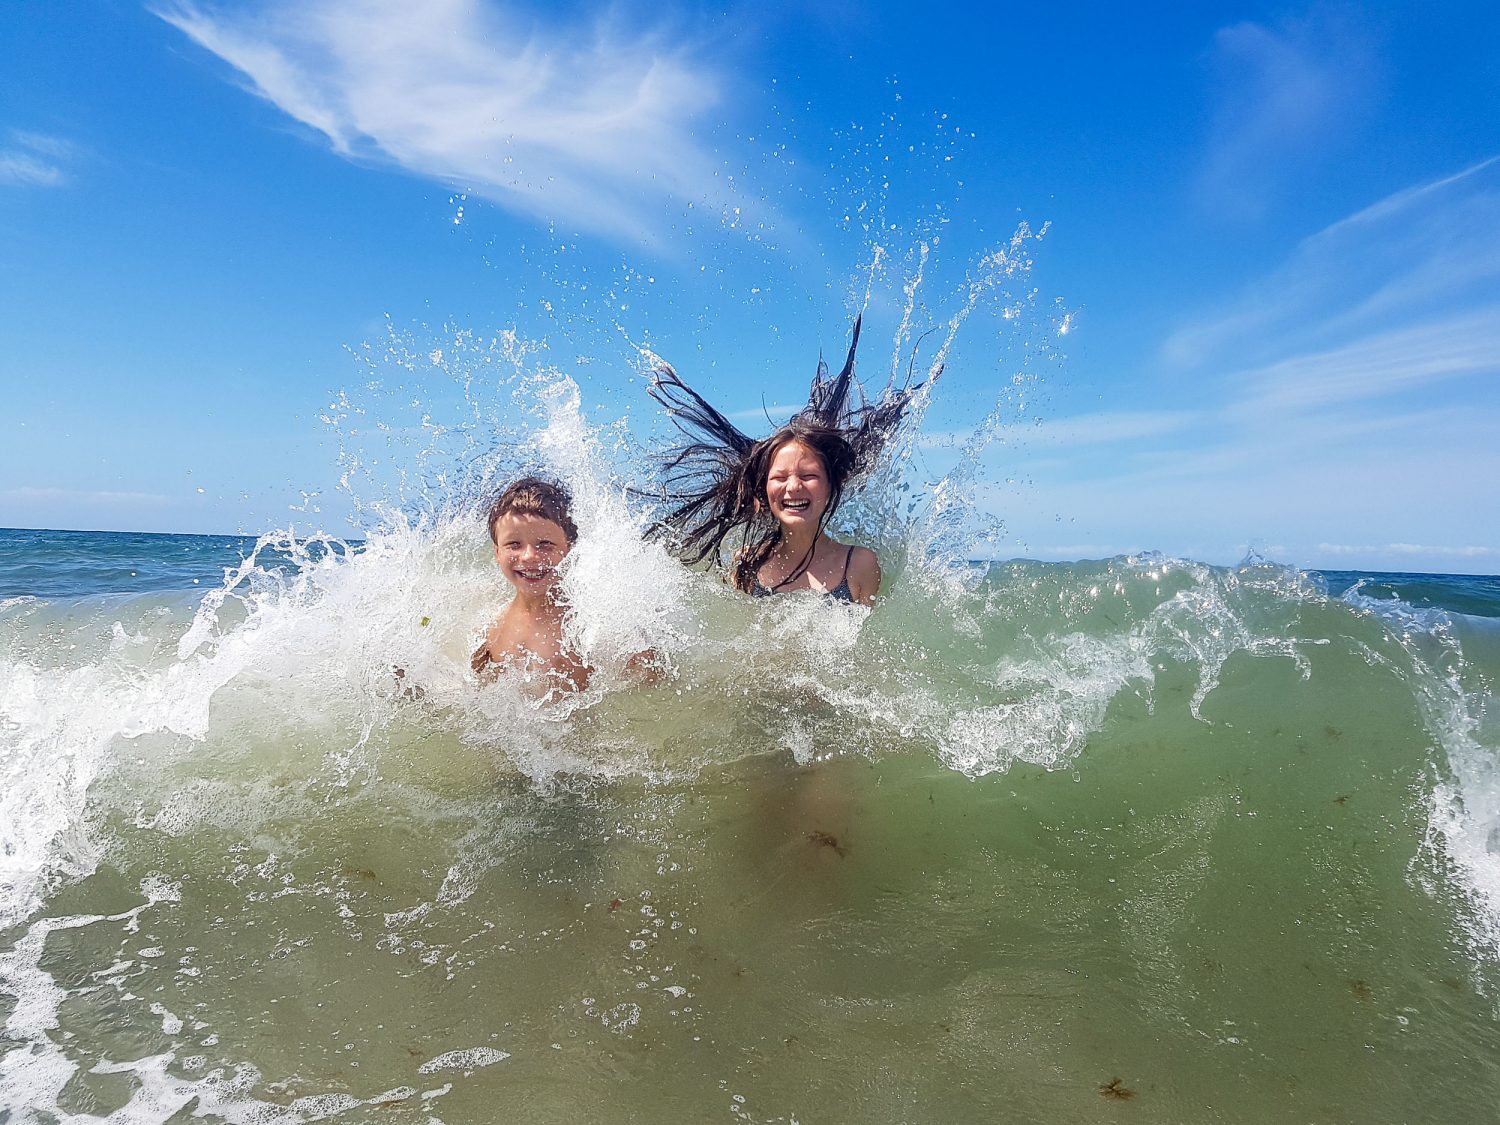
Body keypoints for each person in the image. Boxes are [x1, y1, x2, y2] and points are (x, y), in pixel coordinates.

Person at [645, 317, 927, 606]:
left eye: (808, 475)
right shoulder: (746, 565)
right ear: (764, 491)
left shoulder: (859, 564)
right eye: (779, 478)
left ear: (832, 485)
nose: (793, 487)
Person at [471, 477, 591, 696]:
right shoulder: (490, 632)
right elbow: (470, 698)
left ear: (570, 549)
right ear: (497, 552)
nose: (529, 556)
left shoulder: (589, 626)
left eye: (545, 545)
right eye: (513, 545)